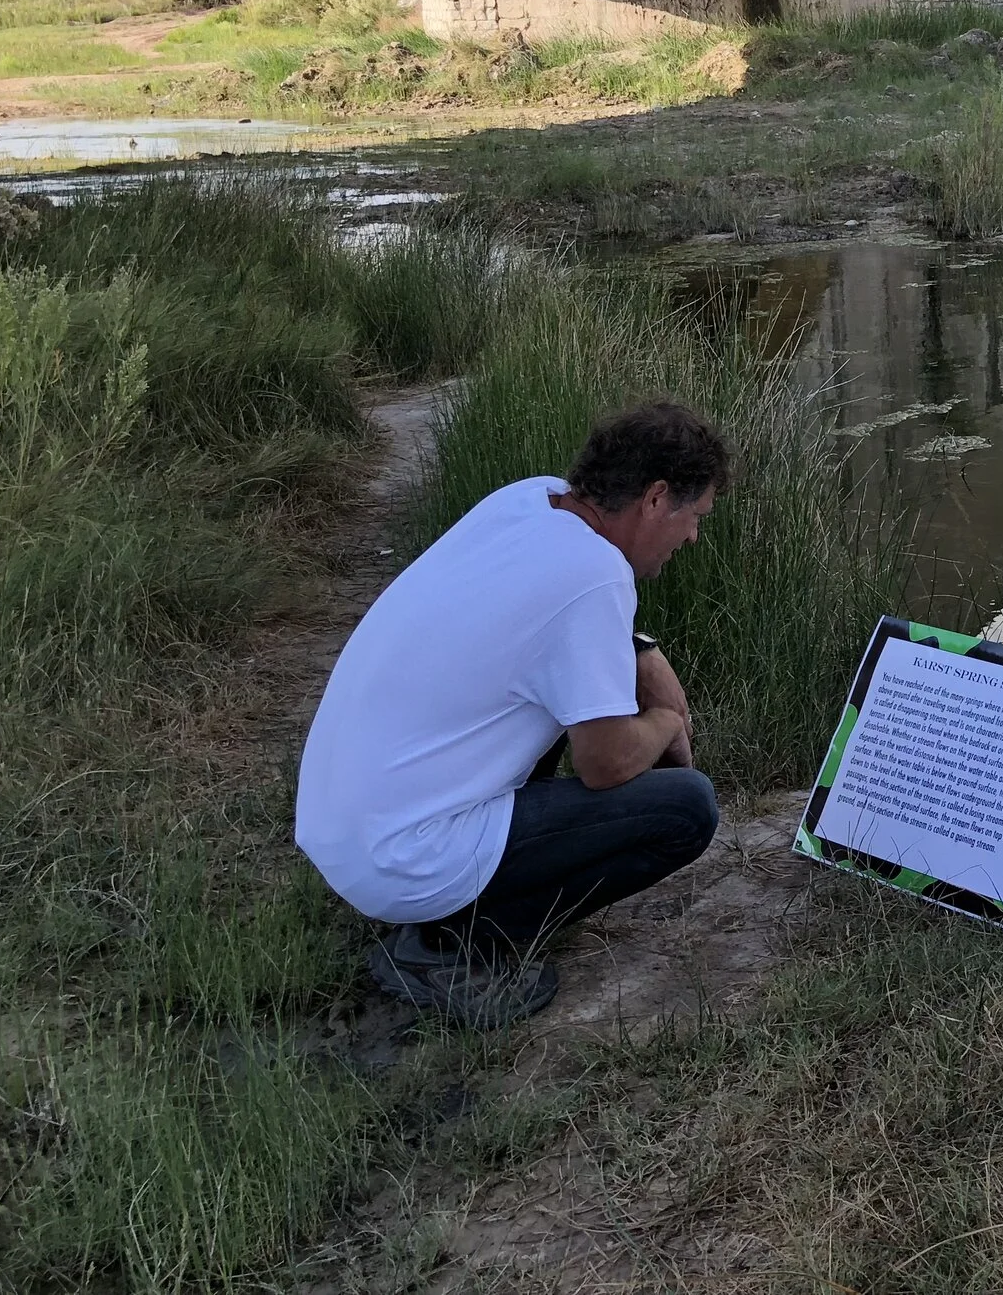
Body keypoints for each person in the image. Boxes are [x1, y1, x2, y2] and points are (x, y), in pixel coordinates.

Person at [297, 401, 729, 1028]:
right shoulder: (596, 574)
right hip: (401, 857)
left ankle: (451, 910)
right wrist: (667, 722)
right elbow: (605, 765)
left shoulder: (530, 501)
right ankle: (448, 945)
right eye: (695, 516)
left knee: (563, 714)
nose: (693, 536)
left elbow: (542, 624)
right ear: (657, 499)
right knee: (686, 808)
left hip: (344, 824)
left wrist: (641, 650)